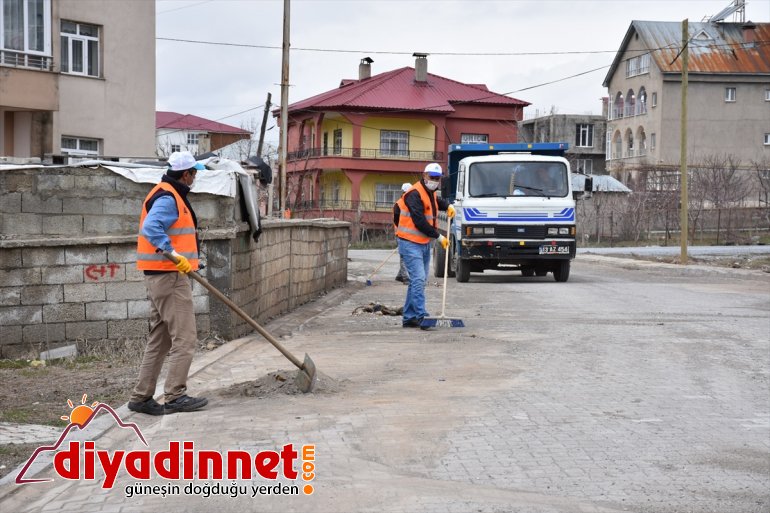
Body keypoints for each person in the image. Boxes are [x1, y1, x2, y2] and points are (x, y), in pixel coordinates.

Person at [129, 151, 209, 415]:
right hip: (169, 276)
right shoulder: (168, 197)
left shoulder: (167, 192)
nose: (195, 178)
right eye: (194, 173)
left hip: (160, 275)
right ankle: (175, 396)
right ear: (185, 174)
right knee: (185, 338)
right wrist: (173, 254)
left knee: (160, 339)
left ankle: (141, 397)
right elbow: (152, 228)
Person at [395, 163, 456, 328]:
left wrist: (448, 206)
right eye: (432, 177)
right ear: (424, 175)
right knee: (419, 279)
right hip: (409, 243)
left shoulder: (430, 193)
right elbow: (419, 220)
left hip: (422, 243)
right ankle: (421, 316)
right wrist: (438, 236)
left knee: (417, 280)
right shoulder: (413, 194)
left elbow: (437, 202)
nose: (435, 181)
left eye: (438, 178)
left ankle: (409, 317)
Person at [394, 182, 412, 285]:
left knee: (405, 255)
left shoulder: (405, 203)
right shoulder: (400, 204)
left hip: (408, 234)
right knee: (404, 256)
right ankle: (405, 278)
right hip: (401, 234)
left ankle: (400, 275)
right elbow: (396, 220)